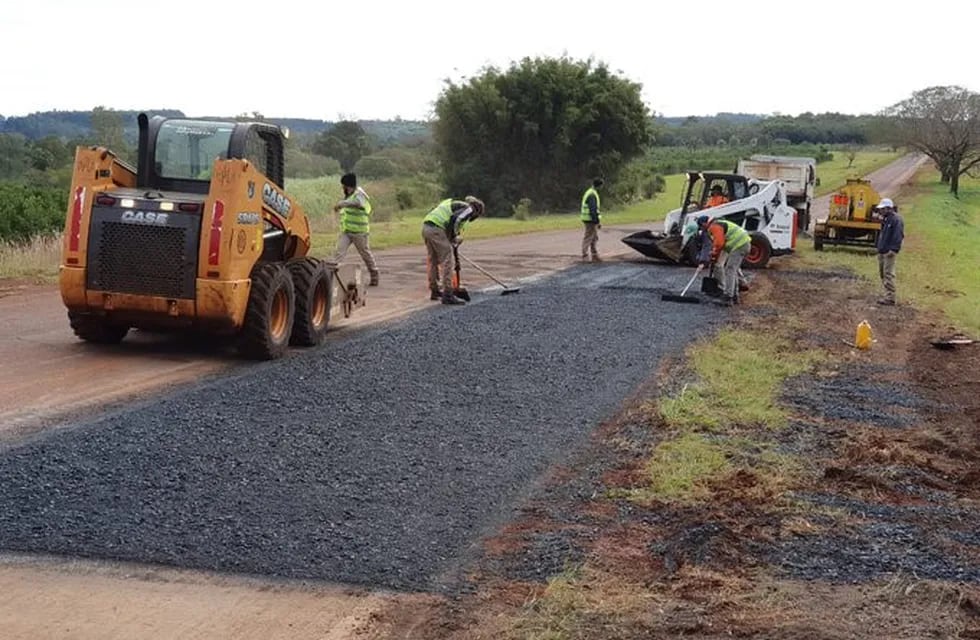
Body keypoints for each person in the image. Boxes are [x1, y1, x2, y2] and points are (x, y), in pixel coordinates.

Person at [422, 196, 485, 305]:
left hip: (426, 228)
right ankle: (448, 295)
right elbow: (456, 219)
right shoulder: (469, 209)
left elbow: (448, 220)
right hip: (437, 229)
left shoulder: (454, 205)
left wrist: (451, 239)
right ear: (477, 210)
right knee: (447, 260)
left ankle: (435, 291)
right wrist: (453, 237)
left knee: (434, 261)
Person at [331, 173, 380, 286]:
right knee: (339, 252)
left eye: (343, 185)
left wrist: (342, 204)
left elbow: (358, 203)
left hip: (360, 232)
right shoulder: (349, 196)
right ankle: (332, 276)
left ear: (348, 185)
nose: (342, 188)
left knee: (365, 254)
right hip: (347, 231)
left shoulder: (359, 194)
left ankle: (374, 274)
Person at [695, 214, 751, 306]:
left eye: (701, 226)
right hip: (743, 244)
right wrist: (714, 257)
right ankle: (734, 296)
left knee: (730, 269)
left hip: (740, 245)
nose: (701, 228)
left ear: (704, 224)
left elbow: (719, 243)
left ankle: (728, 297)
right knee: (733, 270)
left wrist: (714, 253)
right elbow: (720, 245)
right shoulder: (717, 224)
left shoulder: (714, 226)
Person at [874, 197, 904, 306]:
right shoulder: (886, 219)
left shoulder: (896, 220)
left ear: (888, 208)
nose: (880, 211)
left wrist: (894, 249)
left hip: (889, 252)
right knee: (883, 273)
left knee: (888, 274)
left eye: (882, 209)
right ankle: (887, 294)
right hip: (883, 251)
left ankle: (890, 297)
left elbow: (898, 236)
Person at [580, 178, 604, 262]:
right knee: (589, 237)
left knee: (594, 237)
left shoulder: (590, 192)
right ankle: (585, 255)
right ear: (599, 186)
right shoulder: (592, 195)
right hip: (590, 219)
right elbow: (593, 209)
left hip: (590, 219)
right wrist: (597, 221)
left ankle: (594, 255)